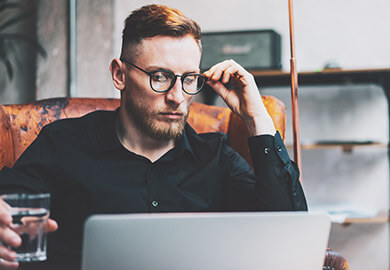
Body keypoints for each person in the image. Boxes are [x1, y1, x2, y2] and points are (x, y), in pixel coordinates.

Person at [0, 4, 307, 270]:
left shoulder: (216, 158)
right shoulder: (63, 142)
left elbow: (288, 236)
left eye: (189, 79)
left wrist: (256, 118)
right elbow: (11, 203)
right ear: (120, 75)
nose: (177, 97)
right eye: (159, 77)